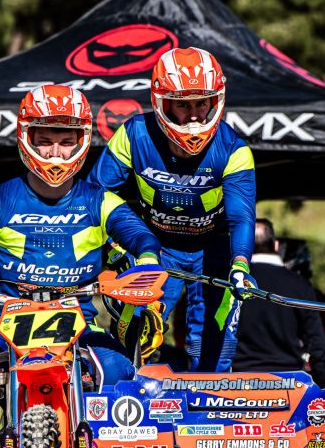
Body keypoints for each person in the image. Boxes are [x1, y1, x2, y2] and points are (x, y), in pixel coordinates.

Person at [0, 84, 163, 448]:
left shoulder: (100, 200)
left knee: (118, 371)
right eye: (44, 141)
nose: (55, 152)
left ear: (82, 140)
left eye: (66, 141)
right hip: (8, 323)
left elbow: (140, 235)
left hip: (81, 324)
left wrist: (146, 261)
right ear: (25, 138)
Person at [88, 47, 257, 372]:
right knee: (132, 335)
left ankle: (211, 402)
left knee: (214, 347)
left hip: (214, 250)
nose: (193, 115)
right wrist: (111, 244)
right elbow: (95, 197)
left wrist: (240, 264)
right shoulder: (133, 134)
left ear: (216, 101)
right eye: (182, 104)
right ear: (161, 103)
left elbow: (242, 217)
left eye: (202, 103)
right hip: (157, 247)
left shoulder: (235, 149)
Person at [232, 218, 325, 387]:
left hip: (238, 382)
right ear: (275, 245)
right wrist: (322, 383)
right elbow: (316, 342)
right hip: (289, 382)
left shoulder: (231, 286)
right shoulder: (301, 285)